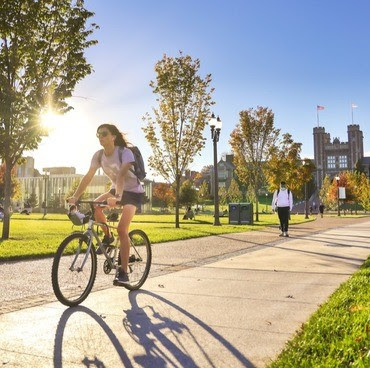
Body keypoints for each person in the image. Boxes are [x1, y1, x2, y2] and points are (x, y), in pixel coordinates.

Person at [68, 123, 145, 286]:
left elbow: (122, 175)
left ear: (113, 137)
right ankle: (108, 238)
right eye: (98, 135)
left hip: (133, 193)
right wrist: (75, 197)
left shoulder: (125, 153)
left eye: (104, 134)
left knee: (122, 229)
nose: (101, 137)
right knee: (95, 205)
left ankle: (123, 273)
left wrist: (118, 197)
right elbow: (88, 176)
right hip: (115, 190)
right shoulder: (98, 155)